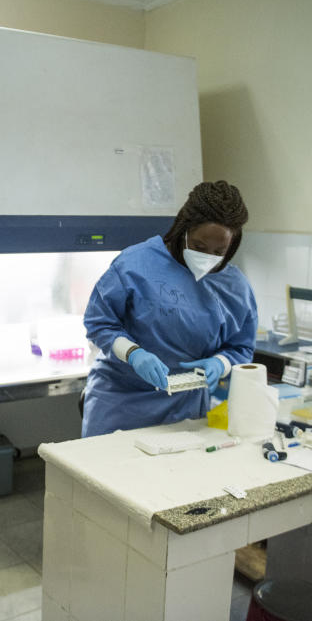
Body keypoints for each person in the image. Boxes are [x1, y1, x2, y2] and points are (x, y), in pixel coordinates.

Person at [81, 180, 257, 437]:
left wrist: (220, 363)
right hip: (121, 402)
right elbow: (99, 323)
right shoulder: (135, 264)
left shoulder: (234, 287)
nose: (207, 256)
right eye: (199, 246)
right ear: (183, 230)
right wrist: (133, 353)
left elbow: (241, 346)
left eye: (219, 251)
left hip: (184, 409)